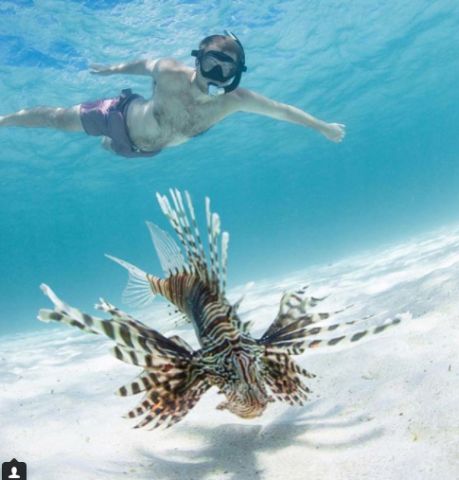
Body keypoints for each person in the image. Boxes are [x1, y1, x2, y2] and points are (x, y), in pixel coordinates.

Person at [0, 31, 345, 158]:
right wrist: (111, 69)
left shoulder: (235, 101)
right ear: (198, 60)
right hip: (117, 116)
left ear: (236, 76)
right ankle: (4, 120)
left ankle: (109, 146)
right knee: (57, 120)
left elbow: (282, 111)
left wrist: (322, 127)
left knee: (113, 149)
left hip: (145, 151)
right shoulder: (169, 71)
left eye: (226, 71)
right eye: (212, 64)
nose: (216, 77)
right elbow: (143, 64)